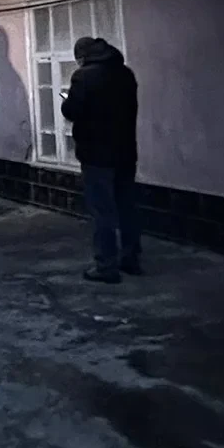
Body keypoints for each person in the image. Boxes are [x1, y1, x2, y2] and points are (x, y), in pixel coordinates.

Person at [61, 35, 142, 282]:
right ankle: (131, 259)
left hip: (96, 153)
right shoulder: (125, 74)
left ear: (82, 56)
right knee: (127, 207)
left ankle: (106, 266)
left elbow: (72, 111)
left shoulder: (83, 77)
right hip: (125, 151)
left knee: (103, 211)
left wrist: (67, 100)